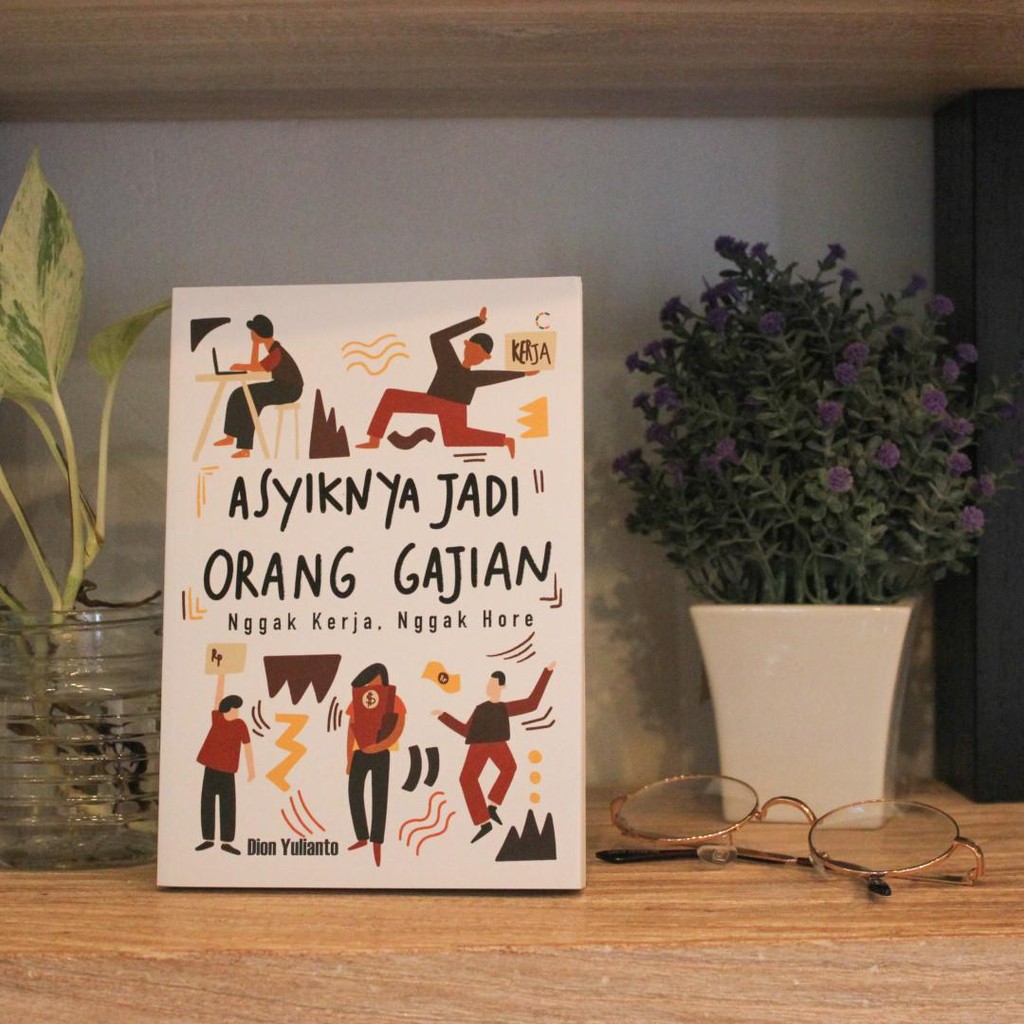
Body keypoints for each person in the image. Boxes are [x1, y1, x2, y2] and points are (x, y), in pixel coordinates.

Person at [356, 307, 535, 457]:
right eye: (472, 350)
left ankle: (504, 441)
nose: (474, 356)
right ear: (466, 346)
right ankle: (374, 440)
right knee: (391, 397)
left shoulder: (475, 377)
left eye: (479, 355)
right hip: (432, 400)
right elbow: (438, 337)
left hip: (454, 408)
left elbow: (497, 376)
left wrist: (523, 373)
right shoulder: (449, 361)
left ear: (485, 358)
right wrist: (477, 321)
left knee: (454, 439)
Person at [433, 661, 555, 843]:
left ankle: (492, 806)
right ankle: (484, 823)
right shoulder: (480, 708)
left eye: (492, 684)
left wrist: (546, 672)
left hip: (497, 743)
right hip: (479, 746)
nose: (489, 687)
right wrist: (443, 716)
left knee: (509, 768)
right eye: (488, 683)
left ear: (501, 686)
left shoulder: (504, 708)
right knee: (467, 778)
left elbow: (532, 703)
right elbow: (465, 731)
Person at [214, 314, 303, 458]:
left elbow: (256, 368)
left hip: (290, 390)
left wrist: (242, 363)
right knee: (238, 394)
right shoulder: (272, 349)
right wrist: (255, 344)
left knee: (252, 400)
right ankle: (230, 436)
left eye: (253, 331)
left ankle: (245, 448)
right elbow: (256, 365)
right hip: (280, 385)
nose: (251, 334)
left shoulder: (276, 352)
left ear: (258, 333)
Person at [345, 662, 407, 867]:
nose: (372, 686)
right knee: (354, 792)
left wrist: (380, 746)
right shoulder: (358, 700)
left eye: (375, 682)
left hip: (381, 754)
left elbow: (398, 729)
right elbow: (351, 729)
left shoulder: (394, 700)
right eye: (369, 683)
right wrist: (349, 758)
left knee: (379, 796)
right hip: (360, 753)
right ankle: (362, 836)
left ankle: (377, 842)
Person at [195, 674, 255, 855]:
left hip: (228, 771)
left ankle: (227, 841)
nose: (237, 712)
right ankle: (208, 838)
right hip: (211, 768)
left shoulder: (240, 725)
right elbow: (218, 697)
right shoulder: (218, 719)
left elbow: (247, 746)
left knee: (228, 804)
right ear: (227, 709)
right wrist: (222, 674)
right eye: (235, 709)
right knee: (207, 802)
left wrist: (251, 769)